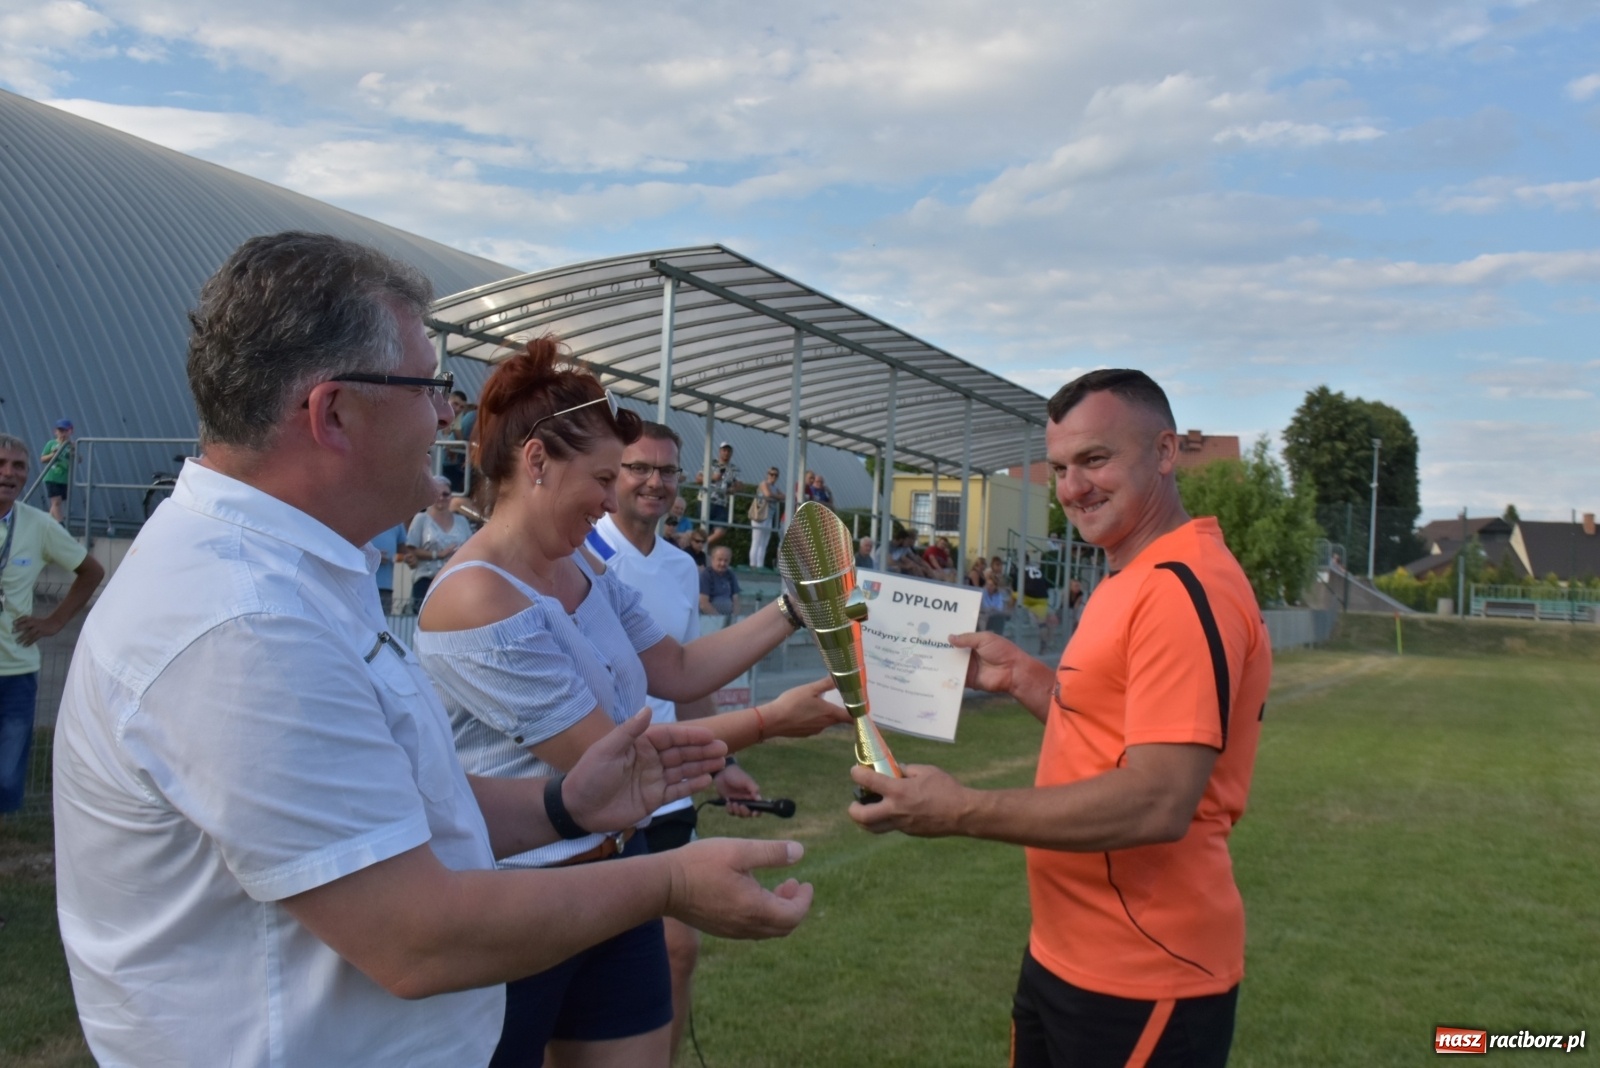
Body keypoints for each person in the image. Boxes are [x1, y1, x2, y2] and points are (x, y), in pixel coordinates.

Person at [51, 232, 812, 1068]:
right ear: (332, 412)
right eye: (428, 387)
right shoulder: (245, 624)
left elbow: (392, 803)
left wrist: (564, 808)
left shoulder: (299, 578)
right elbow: (414, 938)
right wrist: (669, 883)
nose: (449, 416)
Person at [414, 341, 844, 1067]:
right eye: (605, 478)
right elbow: (613, 767)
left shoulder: (579, 560)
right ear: (537, 461)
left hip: (617, 869)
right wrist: (772, 721)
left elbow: (673, 668)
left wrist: (796, 609)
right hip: (517, 897)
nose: (612, 499)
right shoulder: (477, 598)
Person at [849, 369, 1270, 1068]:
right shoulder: (1133, 572)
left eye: (1097, 460)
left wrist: (962, 810)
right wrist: (1027, 680)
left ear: (1165, 452)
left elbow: (1159, 800)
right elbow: (1115, 733)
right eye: (1064, 467)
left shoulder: (1179, 587)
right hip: (1066, 950)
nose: (1073, 488)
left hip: (1143, 972)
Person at [584, 421, 833, 1061]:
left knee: (677, 949)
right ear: (613, 475)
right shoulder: (581, 554)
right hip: (598, 786)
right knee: (589, 968)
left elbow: (687, 673)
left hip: (668, 785)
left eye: (667, 472)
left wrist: (721, 761)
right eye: (639, 468)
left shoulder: (678, 566)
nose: (654, 482)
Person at [0, 434, 104, 814]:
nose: (9, 474)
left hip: (16, 672)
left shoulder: (38, 525)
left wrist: (54, 621)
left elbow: (91, 572)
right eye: (1, 464)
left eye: (18, 466)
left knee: (8, 775)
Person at [405, 475, 472, 611]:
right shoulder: (421, 519)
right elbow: (411, 549)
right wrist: (438, 554)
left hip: (455, 581)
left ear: (451, 496)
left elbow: (470, 548)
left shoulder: (462, 521)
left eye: (445, 494)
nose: (441, 498)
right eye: (437, 494)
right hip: (427, 580)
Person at [698, 441, 740, 547]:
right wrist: (712, 478)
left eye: (728, 451)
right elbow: (698, 478)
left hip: (721, 504)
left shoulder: (733, 468)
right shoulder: (710, 463)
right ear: (720, 451)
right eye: (724, 450)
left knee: (720, 531)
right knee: (704, 530)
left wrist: (734, 488)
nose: (726, 453)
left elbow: (738, 484)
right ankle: (700, 549)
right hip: (706, 501)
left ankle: (701, 545)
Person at [39, 419, 74, 523]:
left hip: (63, 478)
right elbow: (42, 459)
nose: (62, 433)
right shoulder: (51, 443)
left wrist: (74, 451)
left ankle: (48, 523)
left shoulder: (70, 445)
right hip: (52, 477)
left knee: (57, 503)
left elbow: (79, 460)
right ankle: (60, 525)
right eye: (60, 431)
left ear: (70, 432)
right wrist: (53, 454)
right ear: (56, 432)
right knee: (56, 501)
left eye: (65, 431)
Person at [442, 390, 477, 493]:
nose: (458, 409)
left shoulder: (456, 418)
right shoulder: (437, 412)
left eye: (461, 407)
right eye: (455, 404)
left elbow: (459, 439)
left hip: (445, 461)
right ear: (447, 400)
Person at [748, 466, 782, 568]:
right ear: (767, 475)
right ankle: (753, 564)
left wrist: (774, 496)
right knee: (756, 540)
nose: (773, 477)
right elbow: (767, 494)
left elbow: (783, 496)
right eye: (771, 474)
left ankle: (760, 564)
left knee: (764, 542)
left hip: (769, 516)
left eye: (775, 475)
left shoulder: (776, 488)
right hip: (760, 515)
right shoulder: (764, 484)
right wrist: (776, 496)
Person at [370, 522, 407, 614]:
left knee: (384, 625)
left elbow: (404, 551)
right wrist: (372, 556)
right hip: (361, 585)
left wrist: (405, 557)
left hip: (386, 588)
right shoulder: (361, 515)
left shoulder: (397, 520)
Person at [699, 544, 740, 617]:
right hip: (709, 618)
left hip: (728, 618)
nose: (723, 563)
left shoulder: (731, 575)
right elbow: (703, 603)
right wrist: (719, 619)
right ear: (712, 559)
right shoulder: (706, 575)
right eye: (720, 560)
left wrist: (734, 618)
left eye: (726, 560)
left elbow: (736, 600)